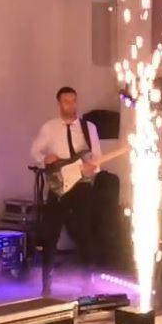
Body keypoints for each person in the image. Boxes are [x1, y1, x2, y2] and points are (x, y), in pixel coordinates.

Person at [30, 87, 103, 290]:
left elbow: (97, 157)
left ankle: (87, 280)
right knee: (51, 232)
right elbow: (35, 151)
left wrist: (93, 168)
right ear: (59, 103)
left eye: (73, 101)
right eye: (66, 101)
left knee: (84, 232)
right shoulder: (50, 128)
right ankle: (46, 281)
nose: (71, 105)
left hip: (82, 185)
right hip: (59, 186)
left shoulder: (89, 128)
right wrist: (44, 158)